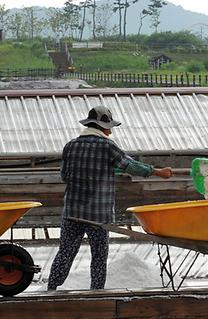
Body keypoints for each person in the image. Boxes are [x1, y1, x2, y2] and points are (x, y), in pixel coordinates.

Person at [47, 106, 173, 290]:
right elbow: (131, 166)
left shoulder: (70, 145)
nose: (111, 131)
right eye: (109, 127)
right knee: (98, 257)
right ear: (102, 126)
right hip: (98, 215)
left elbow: (65, 176)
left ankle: (51, 288)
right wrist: (158, 172)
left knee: (65, 253)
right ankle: (97, 293)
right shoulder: (107, 146)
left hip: (72, 212)